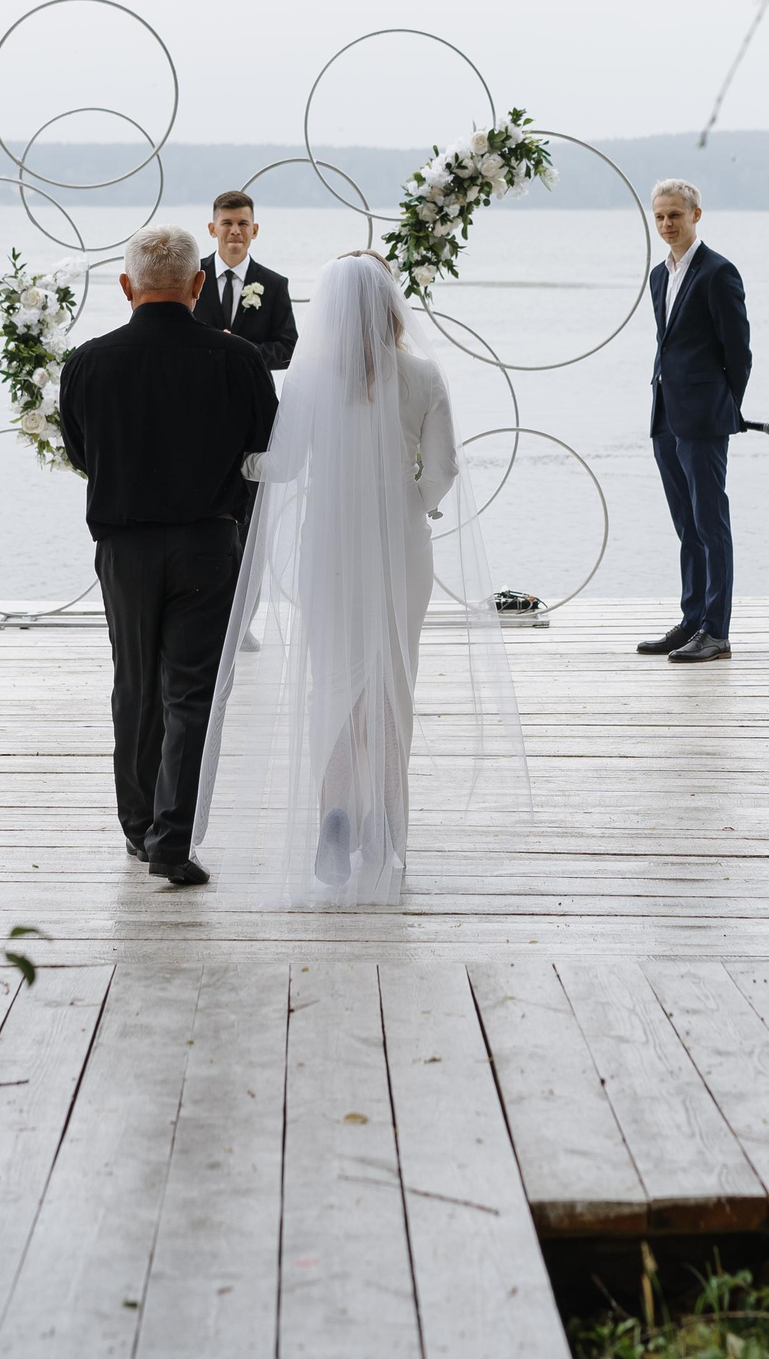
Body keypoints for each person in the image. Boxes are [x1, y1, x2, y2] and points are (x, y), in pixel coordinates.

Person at [195, 253, 525, 904]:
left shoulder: (311, 379)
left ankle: (334, 815)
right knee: (390, 683)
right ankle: (380, 823)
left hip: (330, 547)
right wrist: (414, 503)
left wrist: (236, 459)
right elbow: (442, 471)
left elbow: (282, 465)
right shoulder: (424, 374)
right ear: (392, 308)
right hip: (402, 546)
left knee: (334, 681)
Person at [57, 223, 279, 887]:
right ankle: (171, 840)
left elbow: (79, 455)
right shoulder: (240, 360)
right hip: (210, 541)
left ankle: (136, 825)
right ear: (199, 283)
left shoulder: (87, 363)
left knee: (134, 682)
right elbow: (264, 447)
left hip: (124, 545)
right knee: (191, 691)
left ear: (126, 286)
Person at [634, 179, 753, 664]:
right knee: (686, 524)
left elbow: (739, 352)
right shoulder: (659, 276)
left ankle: (716, 631)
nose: (667, 224)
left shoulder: (719, 272)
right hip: (665, 413)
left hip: (704, 419)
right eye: (660, 217)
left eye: (675, 216)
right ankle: (691, 620)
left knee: (710, 523)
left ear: (696, 215)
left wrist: (726, 410)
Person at [194, 190, 299, 369]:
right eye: (227, 223)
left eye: (242, 223)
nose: (235, 231)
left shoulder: (274, 284)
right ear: (212, 229)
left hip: (253, 391)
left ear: (254, 230)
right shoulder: (192, 277)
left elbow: (289, 350)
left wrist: (242, 350)